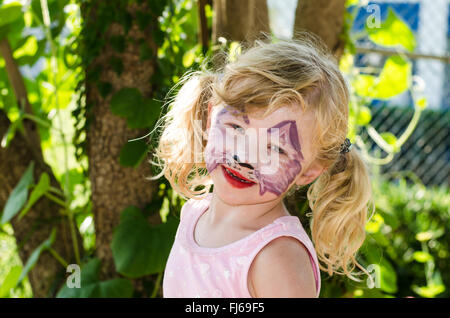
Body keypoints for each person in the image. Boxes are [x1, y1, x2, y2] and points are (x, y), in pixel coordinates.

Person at [150, 33, 374, 298]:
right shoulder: (194, 214)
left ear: (311, 170)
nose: (243, 157)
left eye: (275, 149)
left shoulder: (277, 258)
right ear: (211, 118)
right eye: (235, 127)